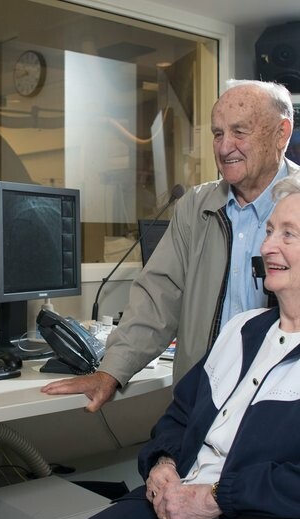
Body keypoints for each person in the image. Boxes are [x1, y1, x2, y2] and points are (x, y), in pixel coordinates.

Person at [55, 172, 300, 519]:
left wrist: (217, 497)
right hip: (180, 496)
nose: (267, 246)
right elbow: (179, 416)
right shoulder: (243, 331)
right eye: (269, 231)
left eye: (288, 235)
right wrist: (163, 465)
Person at [42, 79, 299, 412]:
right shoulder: (195, 207)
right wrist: (111, 370)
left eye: (240, 132)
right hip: (202, 399)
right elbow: (157, 297)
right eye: (218, 134)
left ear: (281, 133)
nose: (224, 148)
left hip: (280, 405)